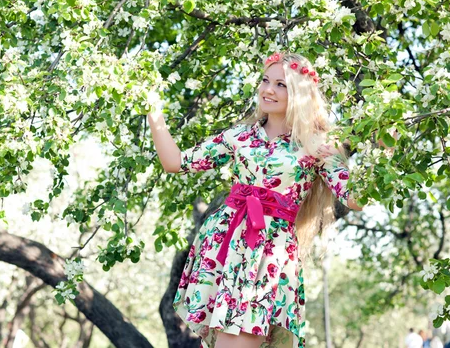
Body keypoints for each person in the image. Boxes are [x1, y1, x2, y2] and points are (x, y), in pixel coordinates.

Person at [148, 52, 364, 348]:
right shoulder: (239, 137)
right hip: (225, 246)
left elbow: (354, 198)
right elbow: (175, 161)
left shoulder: (316, 146)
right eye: (265, 80)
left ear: (300, 95)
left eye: (280, 84)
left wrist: (385, 153)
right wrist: (153, 113)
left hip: (269, 253)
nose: (268, 89)